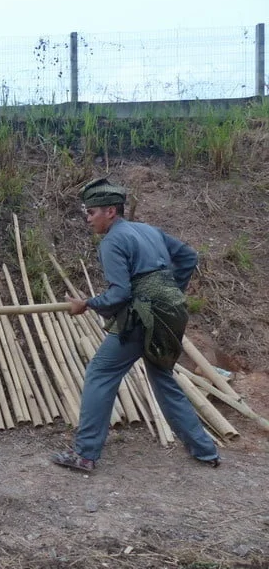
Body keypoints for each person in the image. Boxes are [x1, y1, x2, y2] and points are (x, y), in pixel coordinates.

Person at [52, 177, 219, 472]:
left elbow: (120, 294)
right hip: (172, 313)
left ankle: (85, 454)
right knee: (163, 378)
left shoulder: (113, 241)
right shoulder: (147, 230)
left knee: (101, 373)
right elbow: (189, 256)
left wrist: (86, 304)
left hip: (141, 318)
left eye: (91, 212)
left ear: (111, 212)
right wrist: (171, 291)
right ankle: (205, 451)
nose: (88, 219)